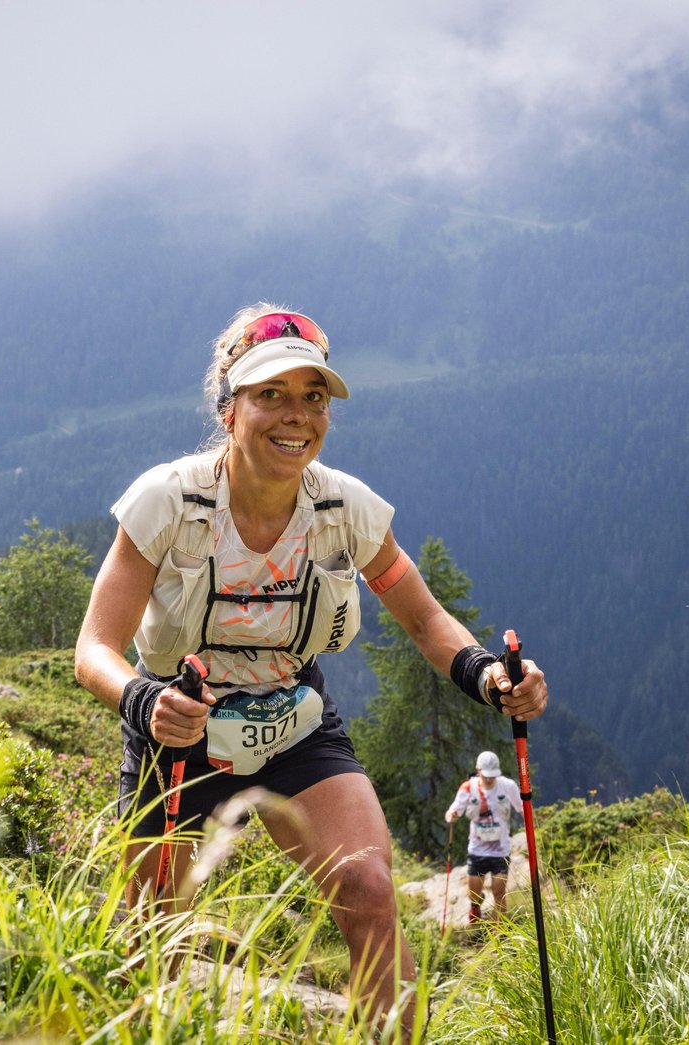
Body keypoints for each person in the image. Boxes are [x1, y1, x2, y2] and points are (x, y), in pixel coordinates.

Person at [73, 303, 549, 1020]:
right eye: (271, 394)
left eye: (313, 397)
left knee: (369, 889)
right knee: (150, 938)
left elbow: (422, 616)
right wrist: (145, 702)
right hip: (176, 727)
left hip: (294, 721)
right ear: (229, 409)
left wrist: (487, 674)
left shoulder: (345, 510)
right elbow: (93, 650)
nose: (296, 416)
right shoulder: (168, 501)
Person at [445, 750, 524, 924]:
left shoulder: (507, 786)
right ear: (478, 770)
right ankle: (475, 905)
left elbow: (522, 806)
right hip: (477, 849)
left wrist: (531, 820)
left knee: (499, 892)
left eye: (492, 776)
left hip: (500, 850)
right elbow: (454, 809)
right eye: (486, 776)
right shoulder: (468, 787)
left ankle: (501, 933)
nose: (489, 779)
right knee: (473, 891)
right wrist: (452, 815)